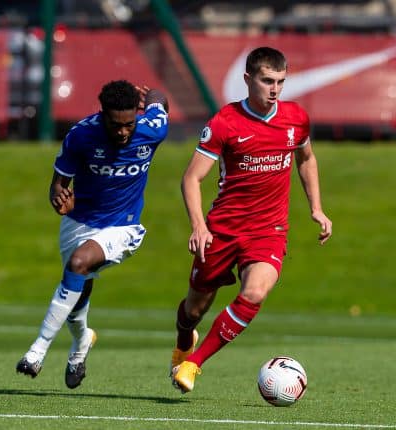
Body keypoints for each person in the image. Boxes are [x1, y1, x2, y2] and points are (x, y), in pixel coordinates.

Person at [170, 46, 332, 393]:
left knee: (256, 291)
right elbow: (190, 179)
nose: (274, 89)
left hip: (268, 230)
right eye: (267, 80)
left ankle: (193, 364)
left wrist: (316, 207)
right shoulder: (224, 123)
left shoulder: (295, 118)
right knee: (194, 310)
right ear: (248, 79)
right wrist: (199, 226)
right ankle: (185, 339)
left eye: (281, 82)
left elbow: (306, 159)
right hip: (222, 231)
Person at [16, 79, 169, 389]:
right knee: (75, 300)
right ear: (103, 115)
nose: (124, 132)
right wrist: (59, 199)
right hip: (79, 223)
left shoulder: (151, 129)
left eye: (129, 124)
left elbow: (159, 100)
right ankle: (81, 344)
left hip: (123, 226)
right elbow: (58, 184)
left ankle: (37, 351)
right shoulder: (82, 136)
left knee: (78, 264)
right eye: (116, 125)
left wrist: (150, 94)